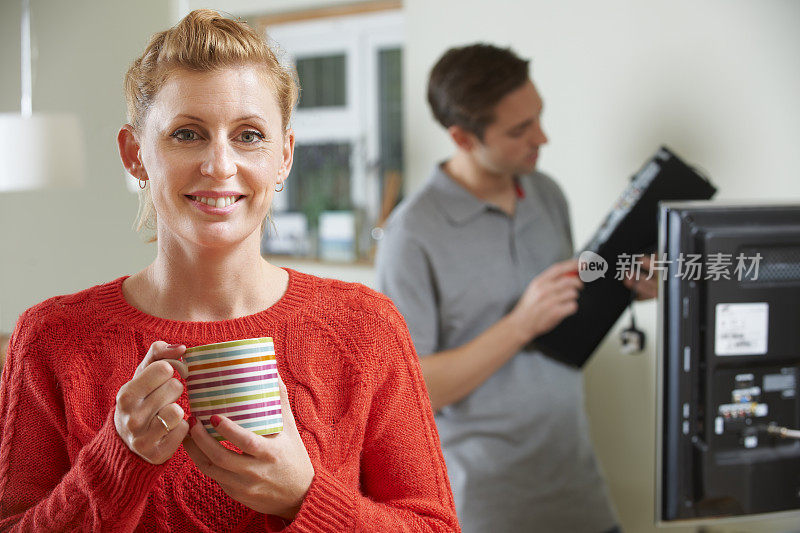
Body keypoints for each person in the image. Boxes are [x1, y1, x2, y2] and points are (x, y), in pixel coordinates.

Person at [0, 11, 459, 531]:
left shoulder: (365, 326)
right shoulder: (51, 338)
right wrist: (117, 463)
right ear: (135, 155)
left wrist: (304, 498)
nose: (220, 165)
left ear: (284, 155)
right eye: (188, 134)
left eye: (249, 135)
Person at [376, 44, 655, 532]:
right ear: (462, 137)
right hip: (486, 507)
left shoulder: (546, 193)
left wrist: (624, 288)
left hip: (580, 491)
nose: (541, 137)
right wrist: (521, 324)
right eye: (519, 130)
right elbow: (412, 391)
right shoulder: (412, 234)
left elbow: (564, 314)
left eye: (538, 117)